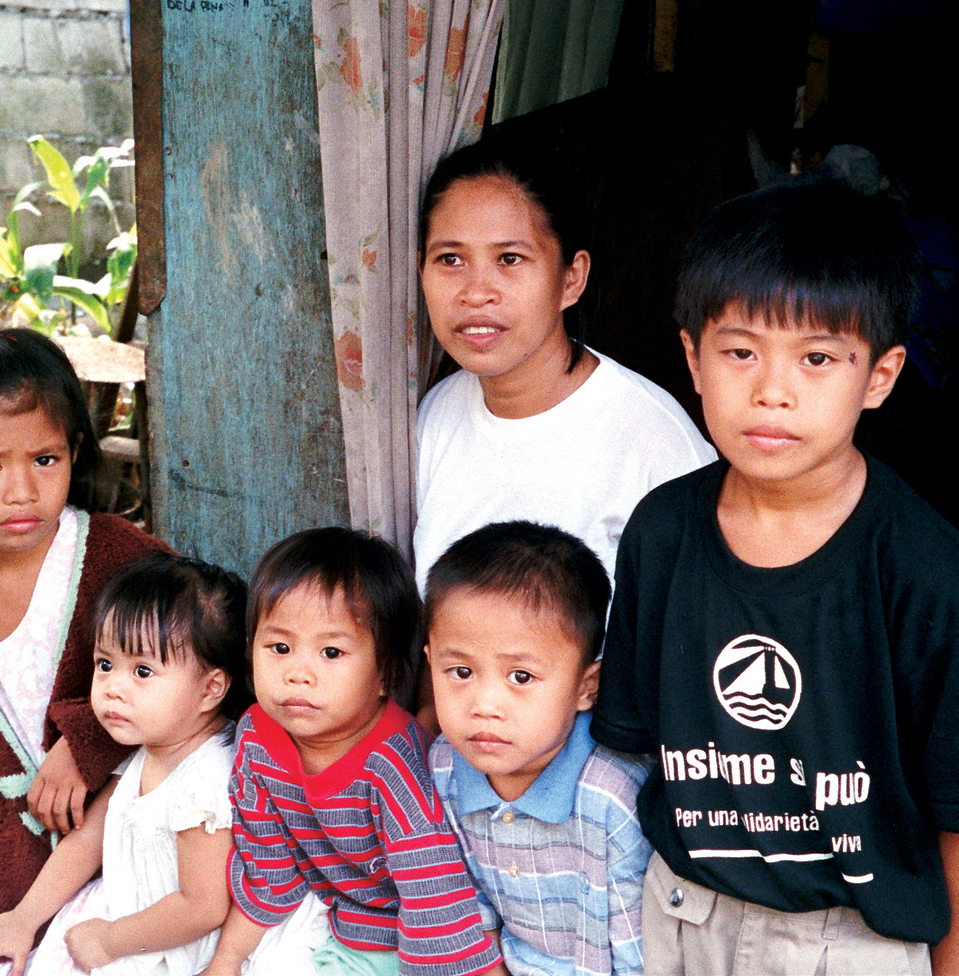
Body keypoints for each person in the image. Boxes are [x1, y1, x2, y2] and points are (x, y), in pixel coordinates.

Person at [591, 180, 959, 975]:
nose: (773, 390)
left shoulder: (925, 568)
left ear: (881, 376)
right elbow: (630, 751)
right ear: (693, 356)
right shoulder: (661, 534)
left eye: (819, 357)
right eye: (740, 351)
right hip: (683, 913)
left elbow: (955, 818)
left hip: (854, 939)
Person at [0, 322, 168, 969]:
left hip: (138, 796)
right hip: (31, 820)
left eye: (44, 459)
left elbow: (206, 656)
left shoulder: (111, 553)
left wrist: (86, 742)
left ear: (73, 451)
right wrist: (5, 779)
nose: (21, 490)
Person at [414, 139, 715, 596]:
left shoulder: (653, 441)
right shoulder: (434, 417)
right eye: (450, 259)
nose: (476, 292)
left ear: (571, 279)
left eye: (509, 259)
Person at [202, 527, 503, 976]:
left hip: (416, 938)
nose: (298, 672)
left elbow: (435, 905)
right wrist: (224, 962)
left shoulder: (395, 769)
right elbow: (270, 870)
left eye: (330, 652)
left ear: (386, 674)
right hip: (329, 920)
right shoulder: (257, 736)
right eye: (279, 647)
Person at [0, 552, 251, 976]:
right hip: (129, 916)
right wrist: (24, 919)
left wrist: (108, 940)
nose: (112, 688)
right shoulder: (151, 749)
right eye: (105, 664)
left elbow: (202, 907)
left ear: (212, 689)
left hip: (181, 948)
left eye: (142, 671)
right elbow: (88, 841)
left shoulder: (205, 781)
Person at [426, 521, 652, 976]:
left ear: (586, 687)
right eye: (461, 672)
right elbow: (468, 901)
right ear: (429, 662)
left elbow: (637, 947)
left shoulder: (610, 795)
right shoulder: (446, 766)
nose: (484, 706)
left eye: (521, 677)